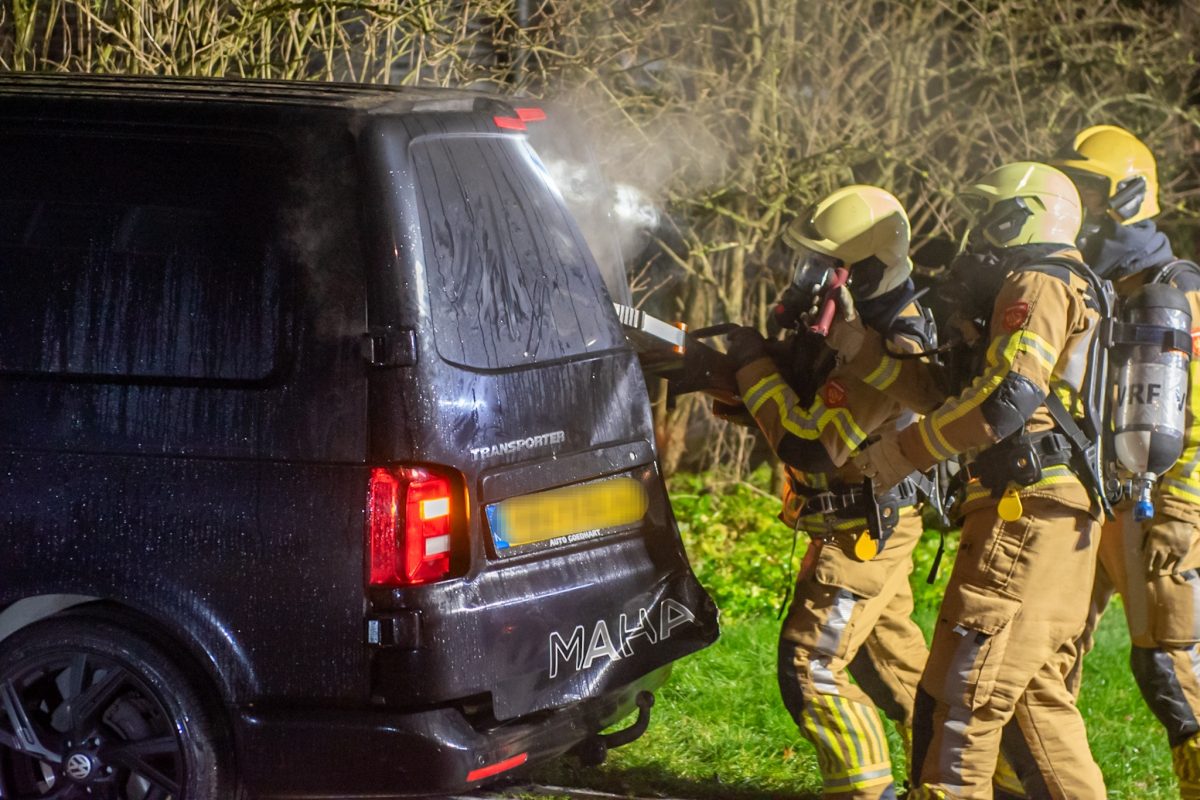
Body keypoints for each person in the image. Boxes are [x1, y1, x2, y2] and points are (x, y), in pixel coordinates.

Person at [852, 162, 1108, 799]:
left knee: (963, 704)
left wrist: (900, 455)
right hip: (1038, 514)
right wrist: (858, 349)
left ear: (1027, 213)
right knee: (1033, 710)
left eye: (991, 217)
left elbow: (1004, 402)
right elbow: (947, 394)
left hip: (1025, 512)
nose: (978, 236)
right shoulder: (1045, 283)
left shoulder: (1040, 278)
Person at [726, 184, 939, 800]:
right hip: (865, 520)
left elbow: (812, 446)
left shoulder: (889, 346)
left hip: (863, 529)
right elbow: (801, 402)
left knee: (810, 667)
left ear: (864, 269)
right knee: (891, 666)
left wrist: (748, 367)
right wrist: (719, 374)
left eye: (821, 266)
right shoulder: (851, 325)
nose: (806, 278)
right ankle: (986, 778)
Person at [1054, 125, 1200, 799]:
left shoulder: (1184, 294)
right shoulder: (1094, 289)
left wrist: (1182, 509)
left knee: (1169, 665)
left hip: (1164, 502)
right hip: (1097, 495)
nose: (1081, 207)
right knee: (1043, 648)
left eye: (1094, 191)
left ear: (1129, 198)